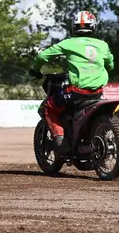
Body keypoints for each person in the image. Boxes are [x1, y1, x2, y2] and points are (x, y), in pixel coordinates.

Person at [29, 11, 114, 155]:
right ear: (93, 27)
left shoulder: (68, 43)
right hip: (97, 93)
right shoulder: (103, 45)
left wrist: (35, 70)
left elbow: (43, 56)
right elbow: (110, 65)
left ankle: (62, 143)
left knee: (49, 106)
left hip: (77, 92)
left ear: (74, 27)